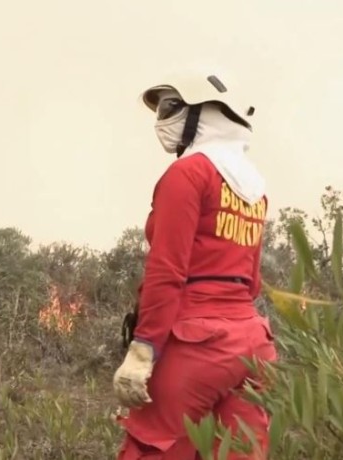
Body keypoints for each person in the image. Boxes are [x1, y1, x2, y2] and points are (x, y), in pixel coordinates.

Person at [112, 71, 278, 459]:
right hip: (253, 345)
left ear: (203, 115)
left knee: (152, 447)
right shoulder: (253, 187)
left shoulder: (187, 174)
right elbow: (251, 281)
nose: (161, 122)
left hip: (197, 341)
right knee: (239, 452)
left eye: (172, 108)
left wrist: (143, 350)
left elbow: (167, 271)